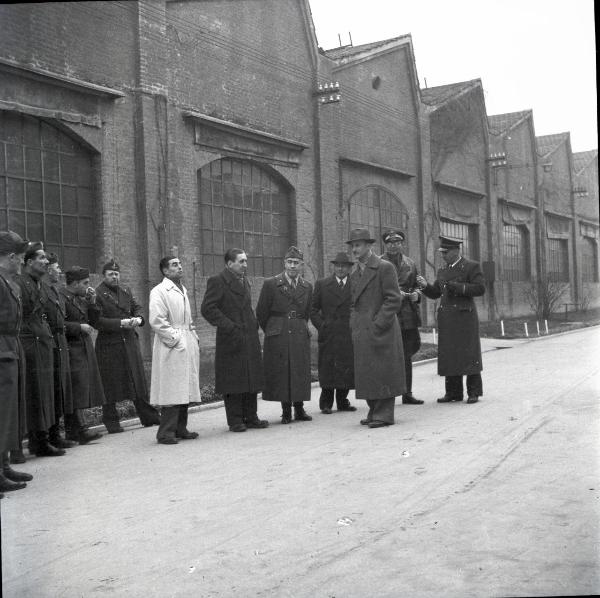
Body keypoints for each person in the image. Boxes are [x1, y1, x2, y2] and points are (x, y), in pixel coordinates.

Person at [201, 249, 268, 432]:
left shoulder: (244, 280)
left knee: (250, 378)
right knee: (234, 380)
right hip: (231, 338)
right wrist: (228, 326)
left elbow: (246, 307)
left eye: (246, 261)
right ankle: (236, 420)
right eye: (241, 261)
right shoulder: (218, 281)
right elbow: (207, 309)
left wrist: (253, 324)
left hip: (249, 337)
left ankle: (251, 417)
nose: (245, 265)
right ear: (229, 264)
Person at [347, 228, 405, 428]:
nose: (354, 250)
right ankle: (374, 410)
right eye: (353, 246)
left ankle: (385, 414)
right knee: (368, 372)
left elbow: (393, 299)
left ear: (369, 246)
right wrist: (354, 323)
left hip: (383, 329)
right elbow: (353, 304)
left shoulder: (384, 267)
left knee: (383, 371)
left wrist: (378, 323)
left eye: (358, 245)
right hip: (362, 330)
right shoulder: (354, 274)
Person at [417, 236, 485, 404]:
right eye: (442, 253)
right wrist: (425, 286)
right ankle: (453, 393)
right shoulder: (443, 271)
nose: (443, 255)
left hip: (465, 318)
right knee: (450, 354)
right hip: (447, 319)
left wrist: (458, 287)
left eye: (446, 252)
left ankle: (473, 392)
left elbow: (480, 288)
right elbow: (436, 293)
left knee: (469, 354)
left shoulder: (471, 266)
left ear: (456, 251)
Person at [94, 260, 160, 433]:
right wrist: (120, 323)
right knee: (110, 383)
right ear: (104, 276)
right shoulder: (97, 294)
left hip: (129, 341)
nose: (114, 277)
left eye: (116, 274)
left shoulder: (126, 291)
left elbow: (136, 307)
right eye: (110, 274)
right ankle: (112, 422)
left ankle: (149, 416)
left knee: (137, 379)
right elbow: (97, 321)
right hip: (109, 345)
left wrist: (138, 318)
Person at [16, 242, 64, 457]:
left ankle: (41, 439)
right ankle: (32, 442)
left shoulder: (38, 284)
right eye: (42, 258)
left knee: (43, 393)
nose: (46, 262)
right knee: (32, 394)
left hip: (42, 343)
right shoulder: (19, 283)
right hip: (29, 343)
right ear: (28, 262)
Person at [256, 246, 313, 424]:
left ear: (301, 265)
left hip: (298, 331)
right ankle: (286, 411)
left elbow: (307, 311)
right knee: (282, 371)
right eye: (289, 262)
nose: (292, 266)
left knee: (299, 370)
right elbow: (262, 312)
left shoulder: (307, 286)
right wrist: (273, 329)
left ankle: (299, 408)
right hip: (278, 332)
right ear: (284, 263)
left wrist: (301, 326)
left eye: (296, 263)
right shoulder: (271, 284)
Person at [149, 256, 200, 444]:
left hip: (185, 339)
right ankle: (165, 432)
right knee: (172, 388)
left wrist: (193, 335)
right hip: (171, 344)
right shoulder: (159, 291)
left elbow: (188, 318)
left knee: (183, 386)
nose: (179, 267)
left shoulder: (182, 289)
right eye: (174, 265)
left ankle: (181, 428)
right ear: (164, 270)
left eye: (179, 264)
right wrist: (176, 339)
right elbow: (157, 321)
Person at [0, 231, 33, 497]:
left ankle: (3, 466)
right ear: (10, 257)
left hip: (10, 349)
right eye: (21, 258)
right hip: (1, 351)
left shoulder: (8, 282)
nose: (22, 263)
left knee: (8, 412)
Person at [380, 230, 424, 405]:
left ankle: (407, 393)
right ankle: (385, 393)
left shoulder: (410, 263)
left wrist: (416, 295)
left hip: (407, 315)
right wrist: (392, 293)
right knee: (385, 356)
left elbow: (417, 285)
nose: (393, 245)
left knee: (407, 354)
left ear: (402, 243)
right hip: (387, 315)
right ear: (385, 244)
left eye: (397, 242)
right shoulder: (378, 262)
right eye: (390, 242)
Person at [62, 267, 104, 443]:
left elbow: (94, 322)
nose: (88, 287)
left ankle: (78, 429)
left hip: (82, 348)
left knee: (80, 388)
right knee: (75, 389)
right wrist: (78, 327)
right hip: (71, 348)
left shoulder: (79, 299)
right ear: (74, 283)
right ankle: (77, 430)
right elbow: (59, 324)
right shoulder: (62, 297)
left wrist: (93, 302)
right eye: (85, 283)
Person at [310, 252, 356, 414]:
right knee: (328, 367)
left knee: (346, 367)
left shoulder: (355, 284)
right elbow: (313, 309)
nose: (340, 269)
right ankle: (326, 403)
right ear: (333, 267)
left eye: (344, 266)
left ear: (350, 268)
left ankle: (343, 401)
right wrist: (322, 326)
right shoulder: (322, 284)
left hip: (347, 333)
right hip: (329, 333)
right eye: (338, 266)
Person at [43, 253, 77, 449]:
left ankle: (55, 434)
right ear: (48, 269)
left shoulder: (55, 291)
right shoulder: (44, 291)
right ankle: (47, 436)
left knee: (59, 389)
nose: (59, 271)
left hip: (60, 341)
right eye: (56, 268)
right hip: (51, 340)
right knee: (51, 389)